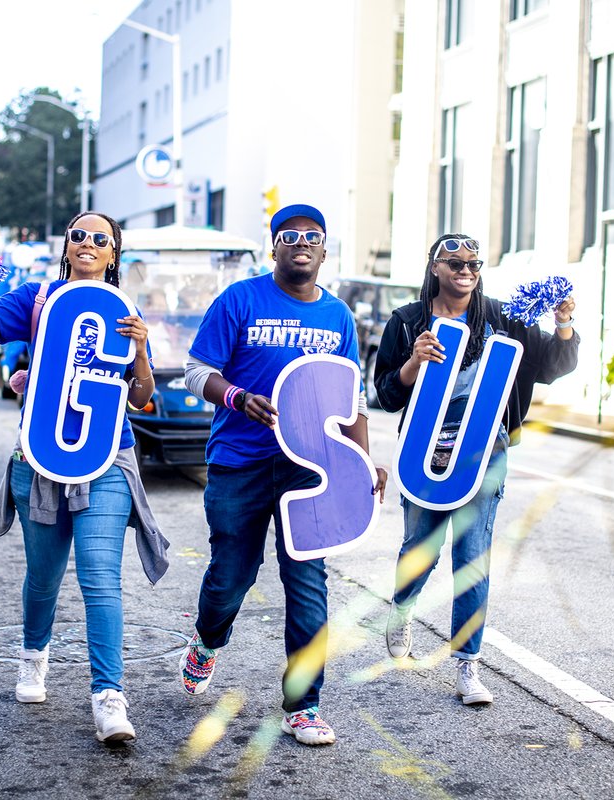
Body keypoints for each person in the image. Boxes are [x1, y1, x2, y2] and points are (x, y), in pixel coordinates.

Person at [0, 211, 168, 745]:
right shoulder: (37, 299)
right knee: (43, 577)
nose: (88, 244)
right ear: (67, 245)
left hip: (108, 458)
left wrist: (140, 354)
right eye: (79, 235)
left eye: (100, 239)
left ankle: (109, 696)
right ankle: (32, 656)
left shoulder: (123, 310)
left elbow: (140, 396)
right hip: (39, 460)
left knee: (99, 577)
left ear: (114, 253)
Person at [180, 203, 387, 746]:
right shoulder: (240, 299)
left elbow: (352, 400)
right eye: (288, 235)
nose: (300, 242)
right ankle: (207, 638)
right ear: (273, 247)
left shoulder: (338, 316)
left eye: (311, 236)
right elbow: (196, 370)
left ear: (323, 250)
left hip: (309, 469)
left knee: (308, 584)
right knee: (230, 578)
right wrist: (236, 397)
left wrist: (362, 464)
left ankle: (304, 704)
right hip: (240, 462)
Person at [373, 233, 579, 705]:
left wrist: (563, 323)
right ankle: (403, 610)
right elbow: (384, 393)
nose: (465, 270)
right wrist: (412, 364)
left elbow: (551, 365)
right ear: (434, 268)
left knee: (473, 556)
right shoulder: (407, 322)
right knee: (421, 546)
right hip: (425, 446)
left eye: (473, 263)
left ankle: (468, 665)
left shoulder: (505, 317)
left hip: (485, 449)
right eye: (454, 262)